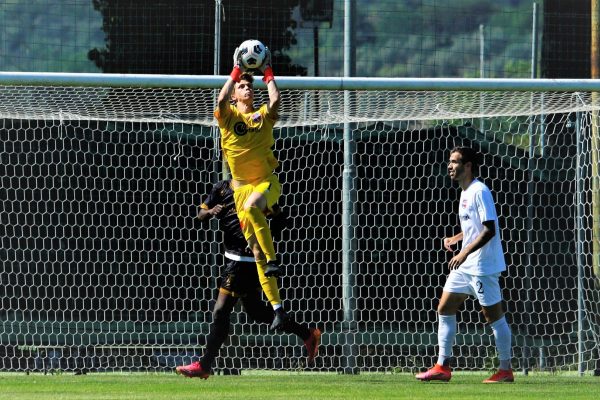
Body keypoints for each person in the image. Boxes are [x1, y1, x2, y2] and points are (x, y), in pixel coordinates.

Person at [175, 180, 321, 379]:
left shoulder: (257, 192)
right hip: (235, 258)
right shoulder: (221, 188)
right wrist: (210, 212)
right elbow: (200, 215)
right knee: (256, 310)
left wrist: (264, 235)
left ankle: (205, 365)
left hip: (244, 261)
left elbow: (282, 219)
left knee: (221, 311)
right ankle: (307, 334)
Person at [415, 146, 514, 384]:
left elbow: (489, 229)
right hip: (466, 265)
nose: (450, 166)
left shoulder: (480, 191)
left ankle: (505, 370)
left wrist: (463, 253)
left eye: (455, 162)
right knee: (444, 308)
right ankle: (442, 366)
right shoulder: (465, 192)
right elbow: (474, 228)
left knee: (494, 318)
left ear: (468, 166)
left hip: (482, 266)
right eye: (449, 161)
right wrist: (456, 239)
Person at [213, 44, 289, 329]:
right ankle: (278, 309)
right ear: (235, 93)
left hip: (267, 184)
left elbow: (277, 101)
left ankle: (272, 258)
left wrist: (268, 71)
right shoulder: (228, 118)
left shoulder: (262, 116)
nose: (248, 89)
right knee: (255, 253)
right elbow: (220, 101)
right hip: (242, 190)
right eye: (243, 86)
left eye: (249, 86)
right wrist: (235, 70)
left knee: (253, 207)